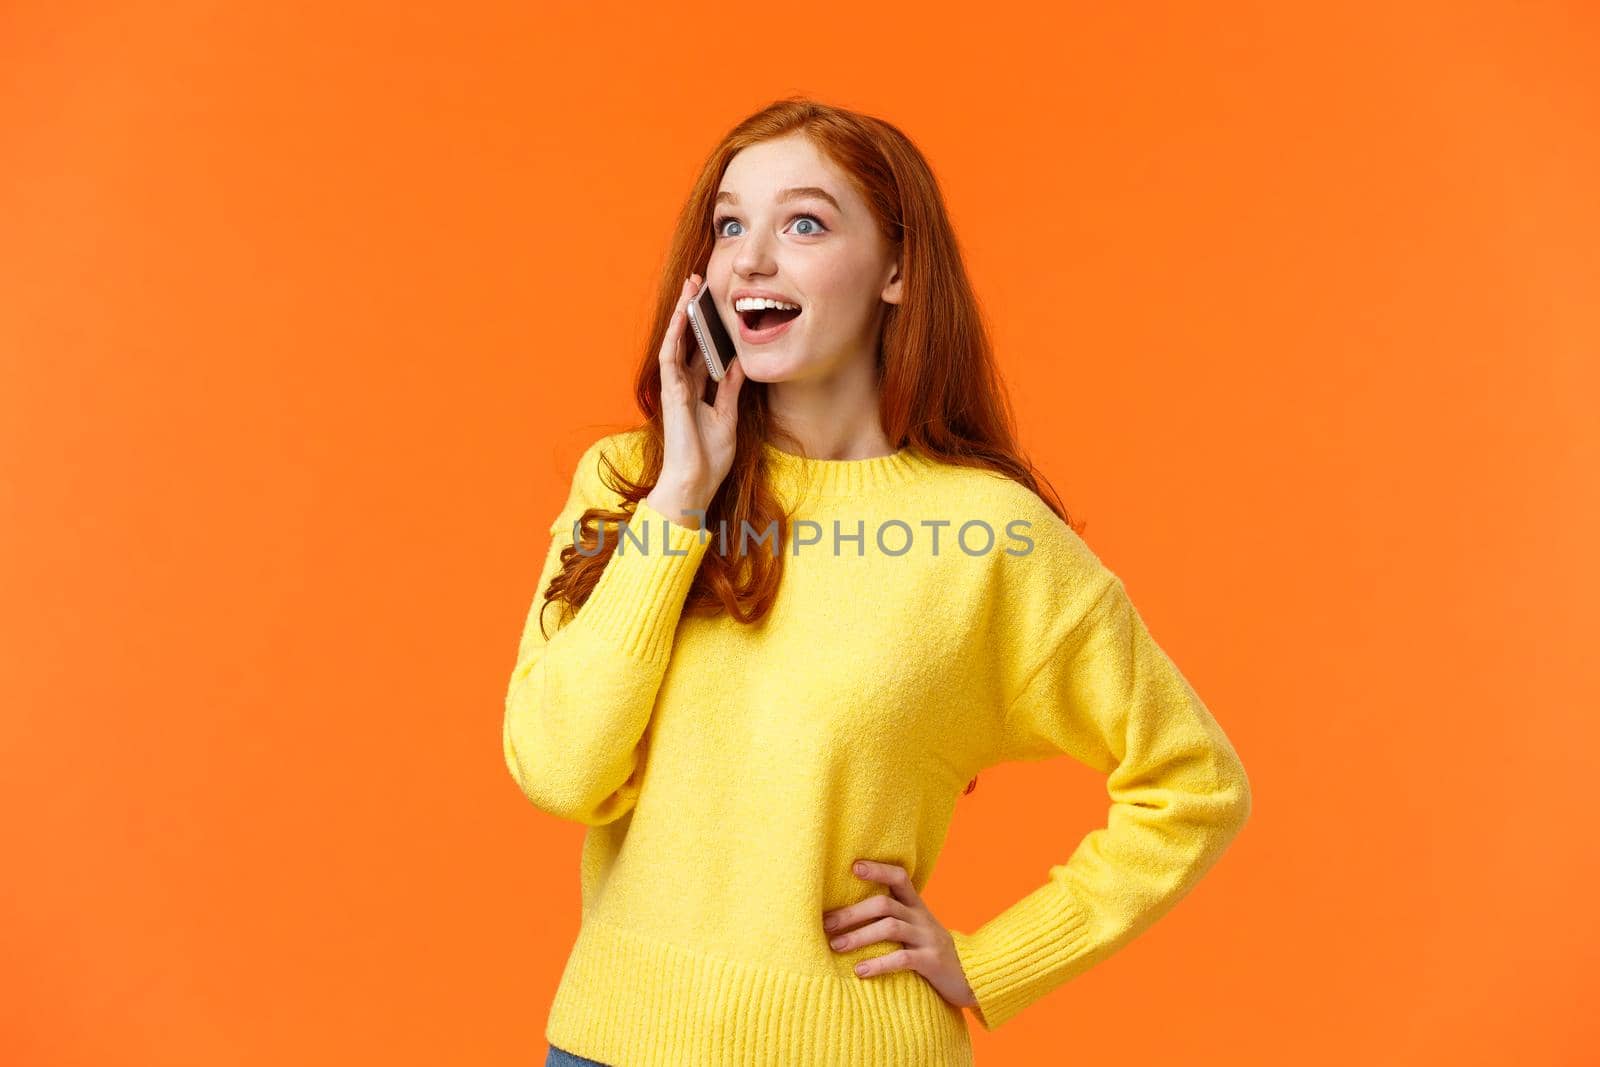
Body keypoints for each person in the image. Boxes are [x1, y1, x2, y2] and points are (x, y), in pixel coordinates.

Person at [506, 96, 1252, 1067]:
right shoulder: (633, 483)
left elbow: (1193, 782)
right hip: (607, 1043)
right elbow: (560, 769)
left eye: (803, 222)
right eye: (730, 224)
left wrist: (992, 961)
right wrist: (680, 499)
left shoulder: (987, 536)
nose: (751, 260)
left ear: (897, 270)